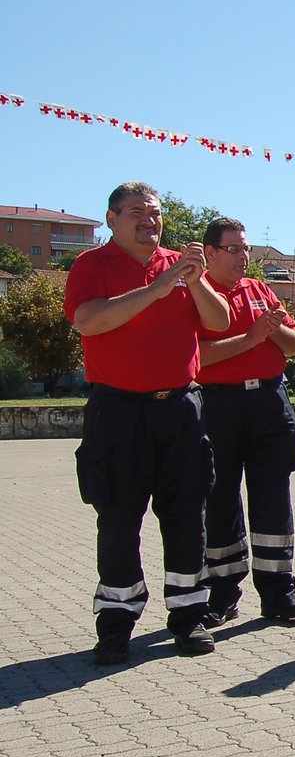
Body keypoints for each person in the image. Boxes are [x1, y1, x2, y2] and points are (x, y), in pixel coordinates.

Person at [65, 182, 231, 664]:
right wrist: (157, 289)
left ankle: (188, 615)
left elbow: (217, 324)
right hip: (118, 412)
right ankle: (116, 622)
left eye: (154, 214)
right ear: (111, 219)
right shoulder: (90, 266)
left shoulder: (181, 264)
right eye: (136, 212)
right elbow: (89, 321)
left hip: (179, 408)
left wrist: (196, 280)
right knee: (118, 517)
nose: (148, 221)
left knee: (186, 517)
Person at [195, 217, 295, 627]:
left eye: (245, 249)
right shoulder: (197, 293)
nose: (243, 256)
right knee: (220, 499)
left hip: (268, 401)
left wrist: (272, 331)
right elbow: (197, 357)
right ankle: (223, 592)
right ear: (210, 253)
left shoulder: (260, 290)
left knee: (273, 498)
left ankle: (279, 592)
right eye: (233, 249)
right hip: (219, 404)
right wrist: (250, 339)